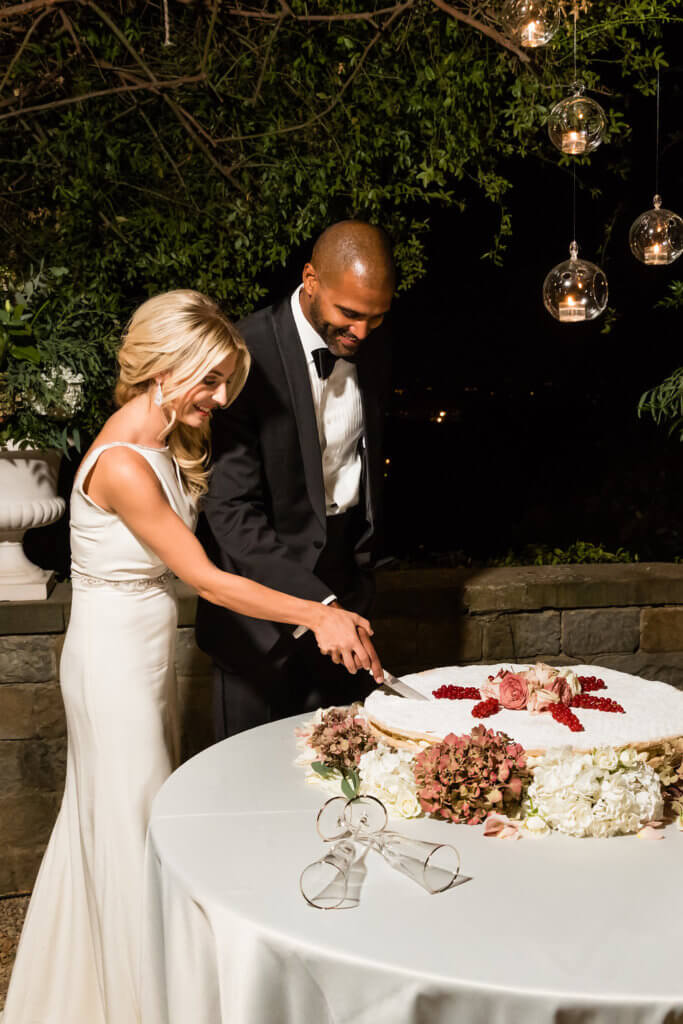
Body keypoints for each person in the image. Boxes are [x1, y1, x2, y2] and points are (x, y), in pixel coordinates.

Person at [2, 290, 382, 1024]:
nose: (218, 398)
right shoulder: (122, 464)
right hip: (112, 661)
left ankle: (119, 983)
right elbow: (204, 577)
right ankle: (137, 1000)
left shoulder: (157, 444)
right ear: (161, 370)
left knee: (133, 816)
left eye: (224, 383)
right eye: (207, 381)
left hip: (139, 651)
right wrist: (316, 614)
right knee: (131, 820)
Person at [196, 221, 395, 739]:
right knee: (246, 784)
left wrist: (352, 586)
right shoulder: (244, 354)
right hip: (258, 612)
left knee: (343, 776)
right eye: (349, 315)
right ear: (310, 280)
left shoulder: (370, 346)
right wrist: (317, 605)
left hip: (347, 598)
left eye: (375, 318)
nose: (361, 333)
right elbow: (231, 514)